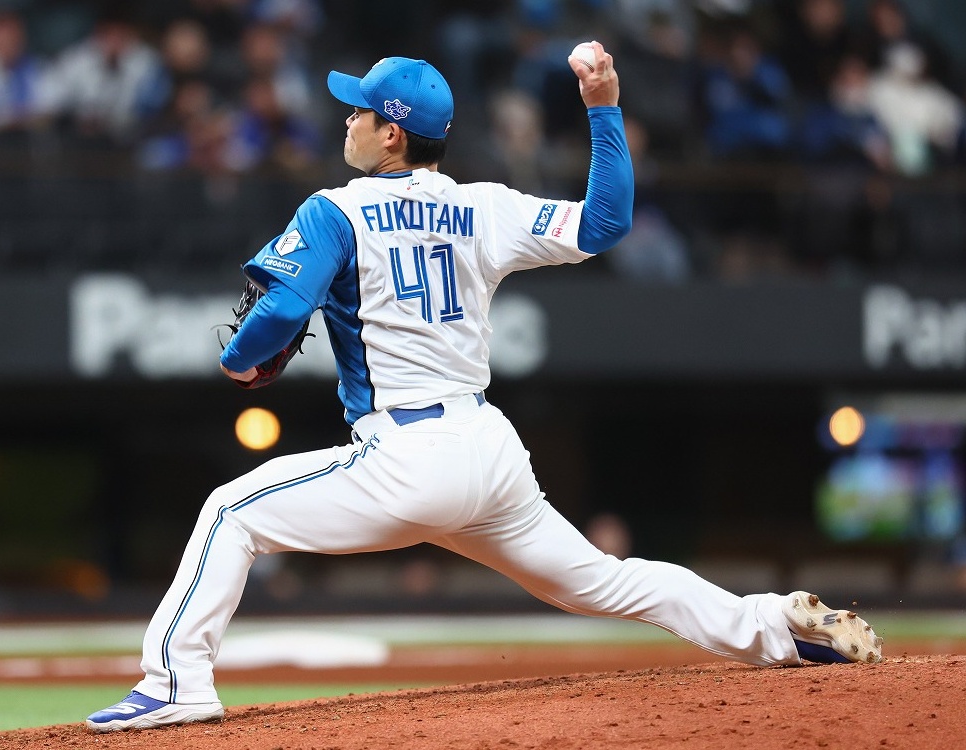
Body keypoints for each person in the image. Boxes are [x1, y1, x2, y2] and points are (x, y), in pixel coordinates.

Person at [86, 43, 883, 733]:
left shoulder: (335, 210)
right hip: (490, 455)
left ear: (391, 132)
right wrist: (603, 108)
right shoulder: (484, 207)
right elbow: (606, 222)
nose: (347, 121)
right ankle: (773, 626)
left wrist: (237, 364)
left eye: (359, 112)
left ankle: (176, 682)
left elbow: (283, 311)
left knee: (231, 512)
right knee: (603, 580)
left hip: (404, 456)